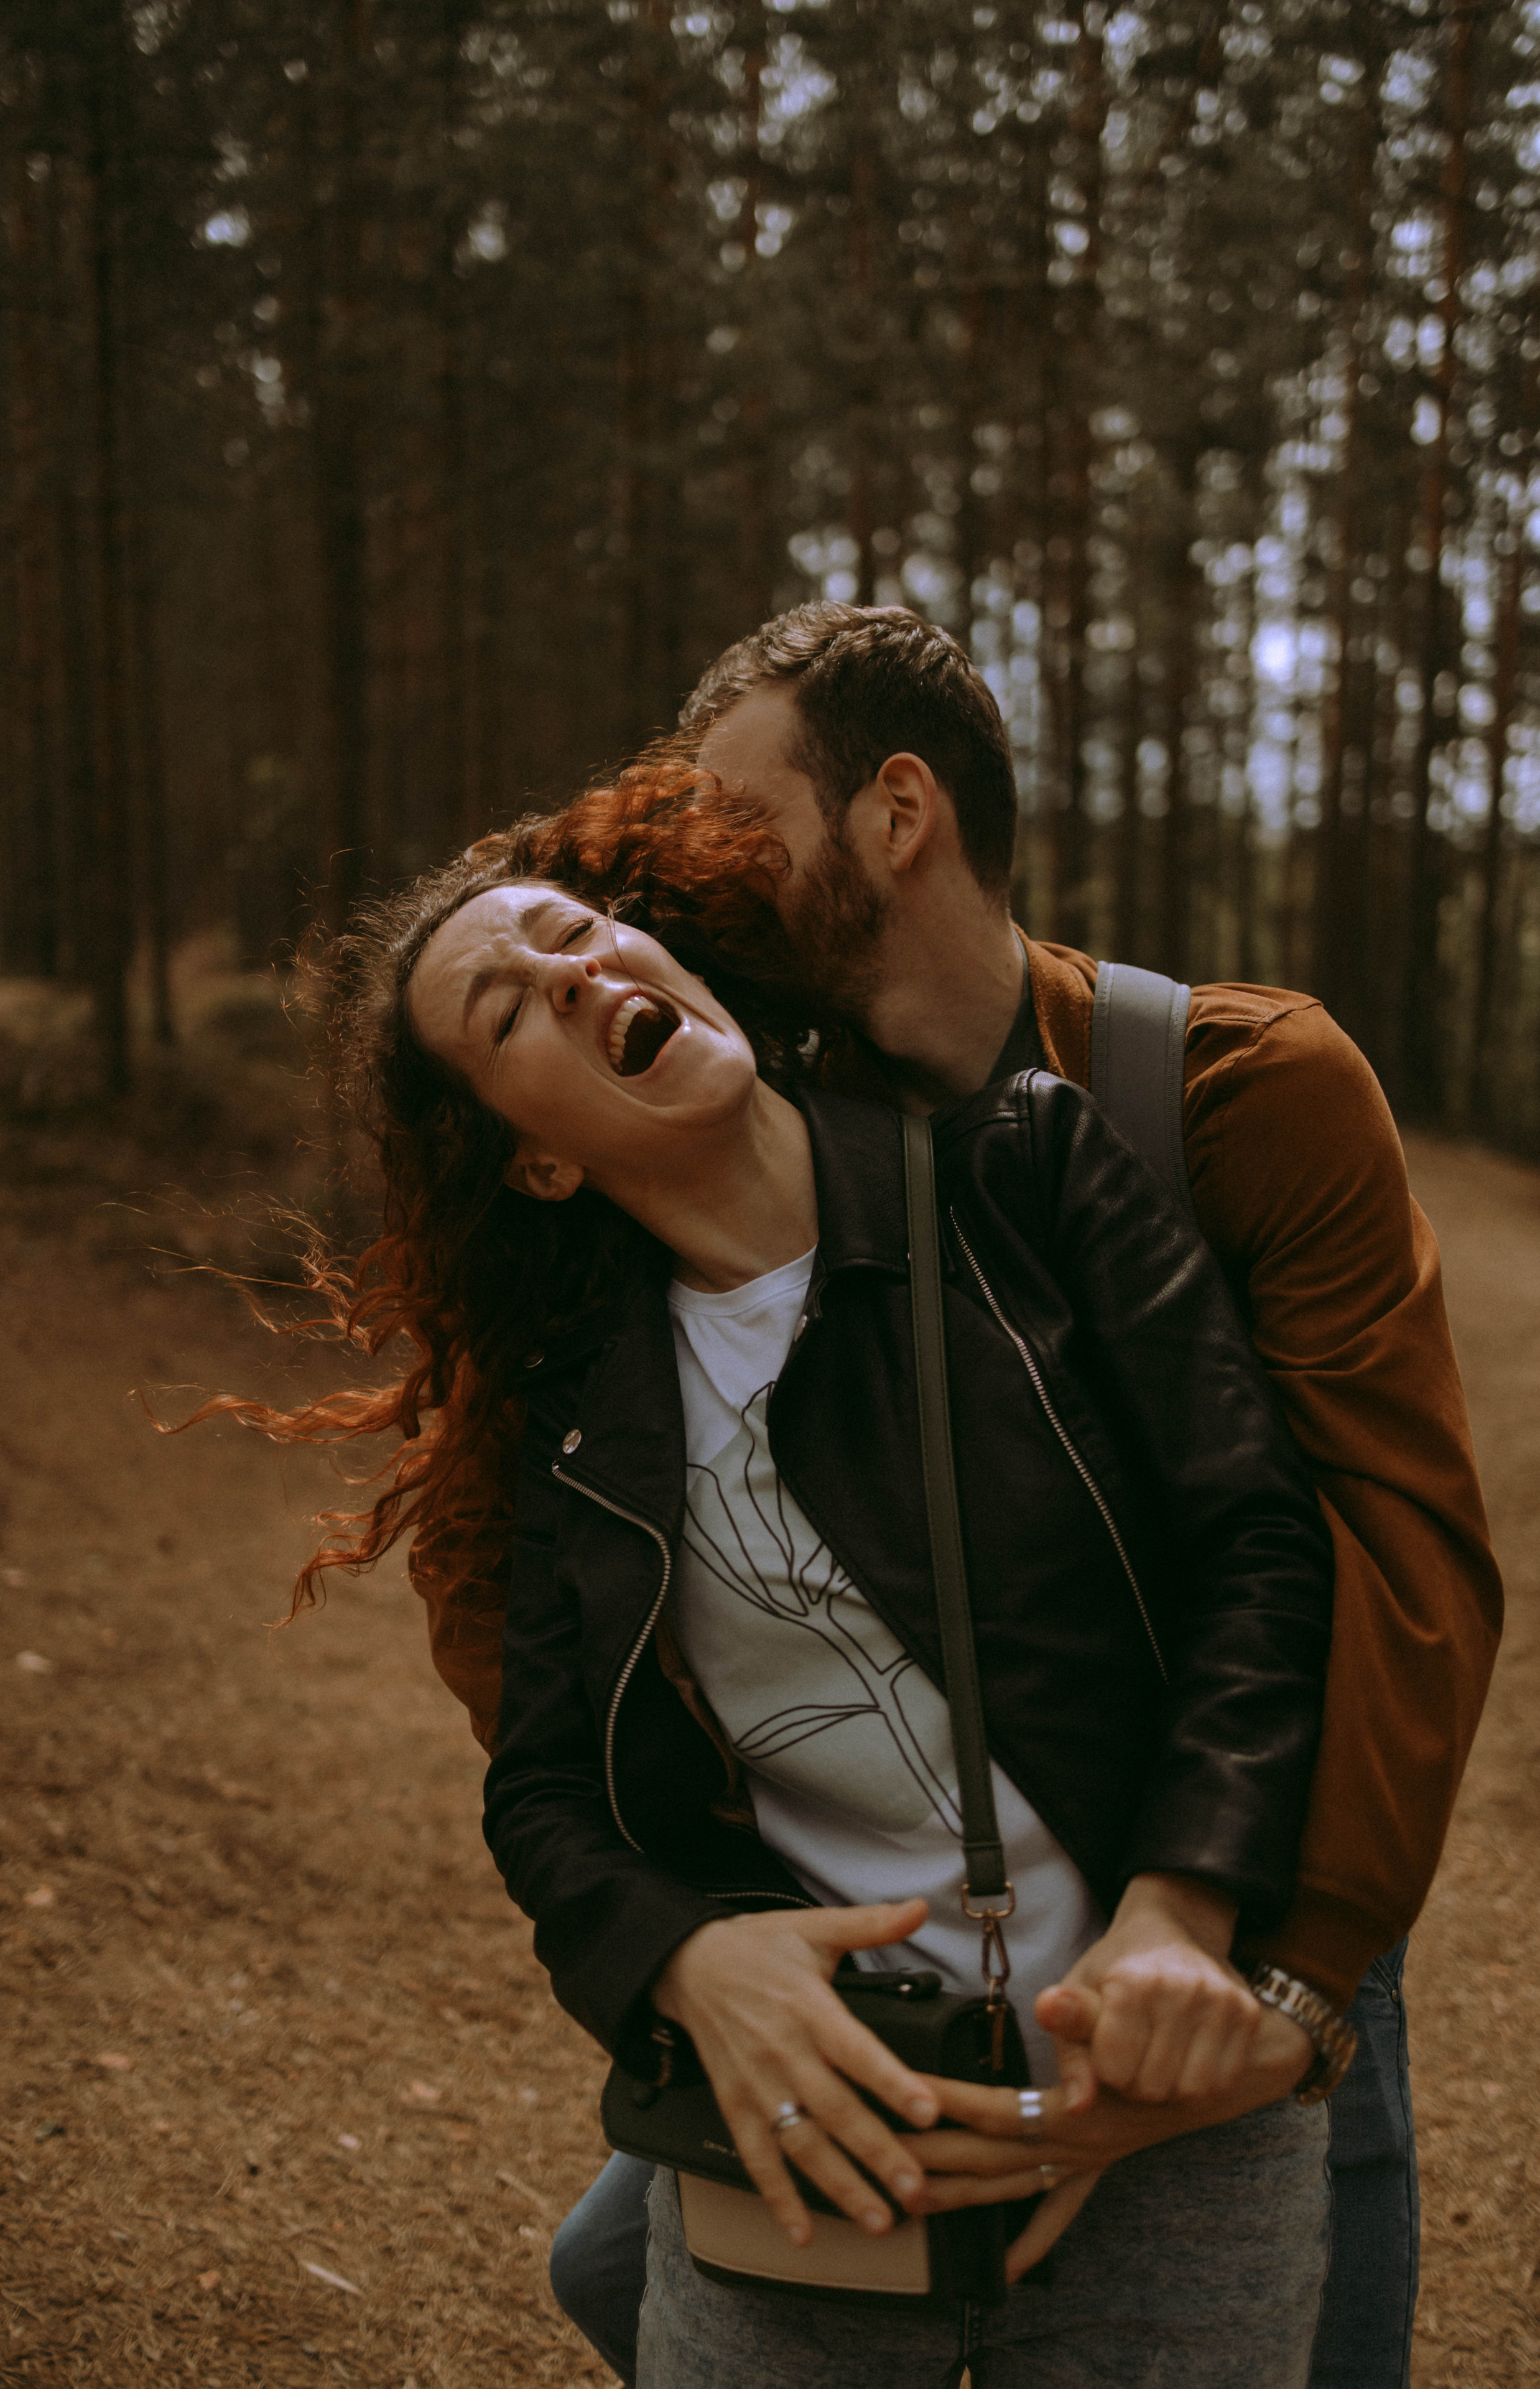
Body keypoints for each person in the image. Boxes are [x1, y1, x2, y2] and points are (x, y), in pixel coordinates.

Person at [427, 607, 1502, 2389]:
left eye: (741, 825)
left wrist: (1281, 1987)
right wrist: (700, 1926)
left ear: (897, 814)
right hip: (910, 1917)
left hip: (1264, 1849)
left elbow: (1398, 1566)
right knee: (620, 2264)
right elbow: (540, 1609)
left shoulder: (1231, 1090)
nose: (700, 878)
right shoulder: (743, 1112)